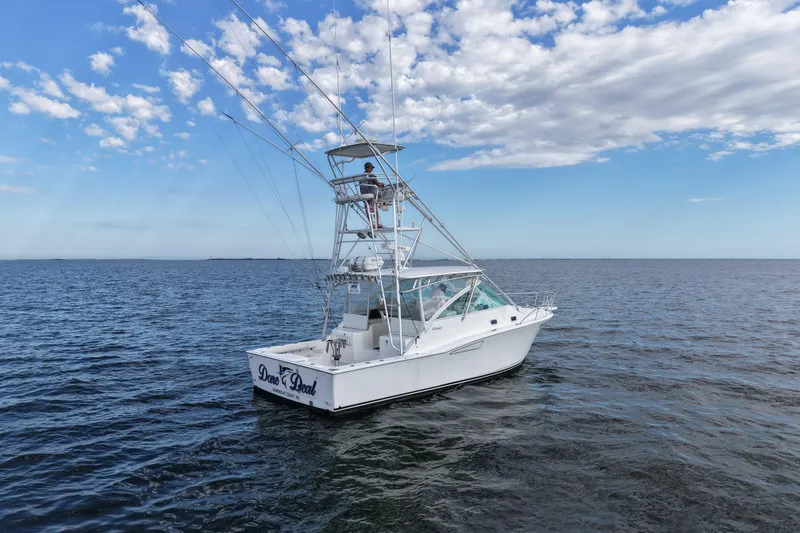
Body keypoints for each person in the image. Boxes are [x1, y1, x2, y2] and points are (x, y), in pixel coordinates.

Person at [360, 162, 384, 228]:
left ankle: (372, 224)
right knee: (375, 210)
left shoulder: (361, 176)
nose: (372, 169)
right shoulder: (371, 176)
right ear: (368, 168)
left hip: (364, 196)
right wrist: (382, 184)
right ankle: (377, 224)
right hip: (371, 195)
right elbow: (378, 184)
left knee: (368, 210)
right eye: (371, 168)